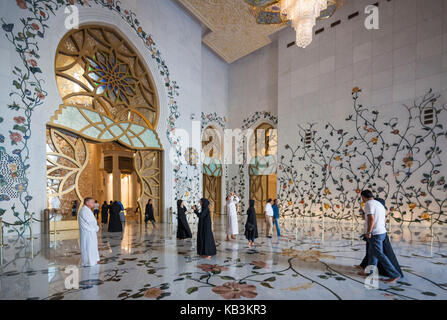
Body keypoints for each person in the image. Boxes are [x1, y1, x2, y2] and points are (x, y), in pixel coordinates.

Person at [358, 190, 401, 283]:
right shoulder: (378, 204)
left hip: (375, 233)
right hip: (381, 232)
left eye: (362, 198)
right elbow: (371, 217)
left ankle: (394, 274)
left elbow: (371, 219)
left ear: (363, 197)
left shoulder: (368, 204)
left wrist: (369, 231)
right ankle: (370, 272)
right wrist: (362, 213)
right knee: (372, 253)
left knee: (379, 254)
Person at [78, 197, 100, 267]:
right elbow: (90, 223)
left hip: (91, 232)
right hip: (87, 233)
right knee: (88, 247)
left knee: (92, 246)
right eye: (92, 202)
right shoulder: (84, 211)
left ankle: (93, 260)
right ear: (87, 203)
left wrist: (95, 227)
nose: (94, 204)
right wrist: (96, 228)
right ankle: (89, 262)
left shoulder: (88, 210)